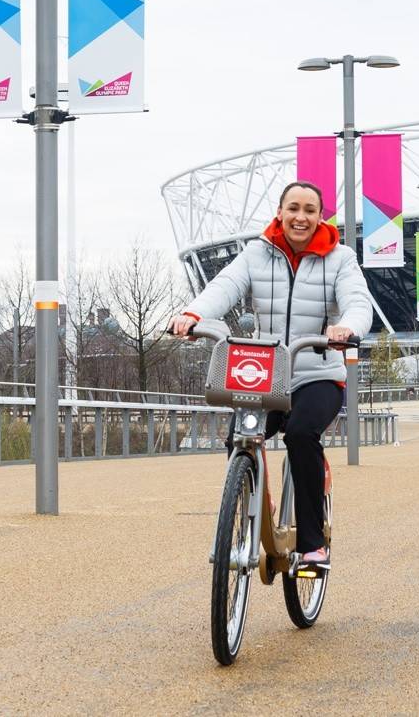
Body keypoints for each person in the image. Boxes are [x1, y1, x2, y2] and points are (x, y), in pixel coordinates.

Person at [169, 180, 373, 565]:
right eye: (293, 208)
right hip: (269, 372)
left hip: (318, 371)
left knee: (300, 434)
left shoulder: (340, 258)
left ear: (320, 216)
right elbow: (225, 286)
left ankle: (312, 543)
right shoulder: (257, 253)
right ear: (280, 212)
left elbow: (357, 300)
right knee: (240, 438)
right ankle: (252, 503)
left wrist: (348, 327)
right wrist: (194, 314)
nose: (301, 217)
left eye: (309, 210)